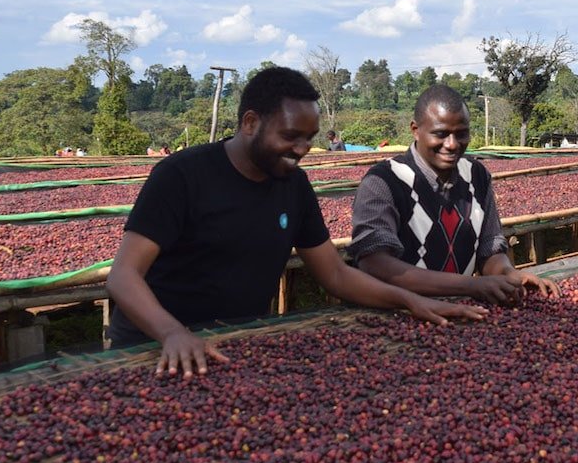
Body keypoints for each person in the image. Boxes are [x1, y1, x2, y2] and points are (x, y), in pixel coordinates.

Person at [106, 67, 486, 378]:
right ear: (251, 122)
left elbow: (335, 275)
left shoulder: (293, 185)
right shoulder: (181, 176)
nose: (303, 149)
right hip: (153, 349)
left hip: (236, 345)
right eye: (291, 136)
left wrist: (410, 301)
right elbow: (123, 276)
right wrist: (172, 333)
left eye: (309, 138)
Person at [348, 84, 561, 306]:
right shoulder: (384, 181)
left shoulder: (476, 176)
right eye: (440, 134)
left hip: (459, 314)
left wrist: (508, 273)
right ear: (415, 130)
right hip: (396, 312)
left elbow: (489, 248)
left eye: (461, 134)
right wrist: (470, 285)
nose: (452, 145)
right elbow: (375, 262)